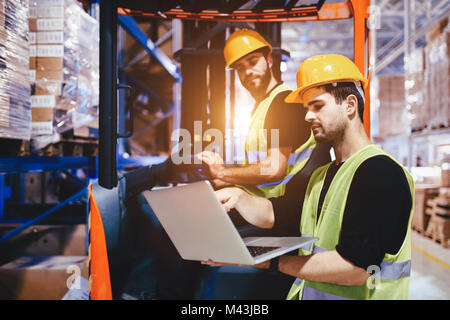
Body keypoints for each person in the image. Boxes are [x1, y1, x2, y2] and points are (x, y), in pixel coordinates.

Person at [205, 54, 415, 300]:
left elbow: (355, 269)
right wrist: (239, 196)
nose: (307, 116)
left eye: (317, 106)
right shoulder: (321, 176)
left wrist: (266, 262)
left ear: (349, 105)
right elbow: (278, 214)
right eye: (306, 108)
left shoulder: (380, 173)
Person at [197, 29, 328, 200]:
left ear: (269, 60)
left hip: (279, 207)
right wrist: (215, 181)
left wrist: (222, 172)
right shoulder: (263, 106)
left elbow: (273, 169)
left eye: (252, 62)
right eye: (240, 68)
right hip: (261, 199)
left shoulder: (283, 102)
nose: (248, 71)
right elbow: (257, 171)